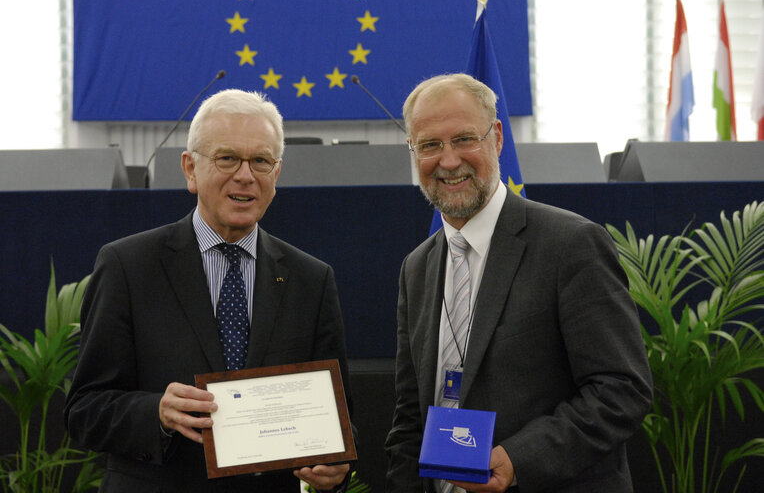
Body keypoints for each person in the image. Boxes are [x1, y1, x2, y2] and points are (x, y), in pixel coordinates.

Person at [64, 89, 352, 492]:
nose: (245, 175)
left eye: (261, 161)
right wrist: (156, 413)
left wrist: (334, 468)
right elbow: (83, 410)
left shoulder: (311, 279)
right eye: (227, 158)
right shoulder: (128, 266)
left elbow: (337, 417)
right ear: (190, 169)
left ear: (277, 174)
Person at [384, 74, 653, 493]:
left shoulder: (570, 244)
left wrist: (519, 459)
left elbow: (621, 390)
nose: (449, 160)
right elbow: (410, 417)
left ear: (497, 138)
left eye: (463, 139)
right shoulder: (416, 267)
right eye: (430, 145)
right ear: (412, 152)